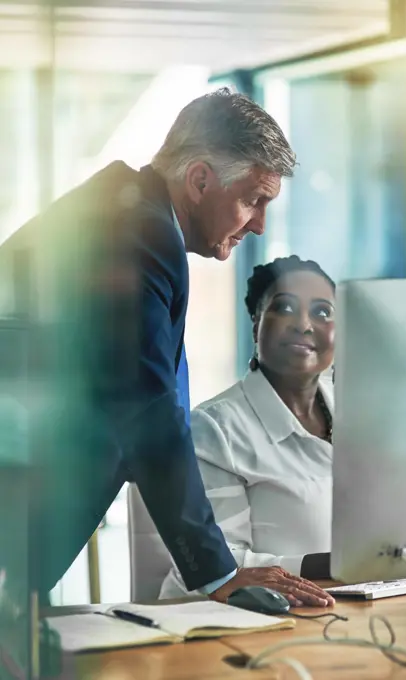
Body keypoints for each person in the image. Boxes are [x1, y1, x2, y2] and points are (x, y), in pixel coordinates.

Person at [0, 88, 333, 608]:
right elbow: (149, 408)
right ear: (200, 180)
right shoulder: (139, 232)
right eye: (253, 199)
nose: (261, 224)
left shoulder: (129, 212)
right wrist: (218, 574)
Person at [161, 256, 335, 599]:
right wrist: (332, 565)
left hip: (350, 607)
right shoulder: (215, 428)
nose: (304, 324)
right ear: (256, 322)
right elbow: (223, 565)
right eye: (284, 307)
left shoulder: (361, 414)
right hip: (243, 620)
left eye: (322, 312)